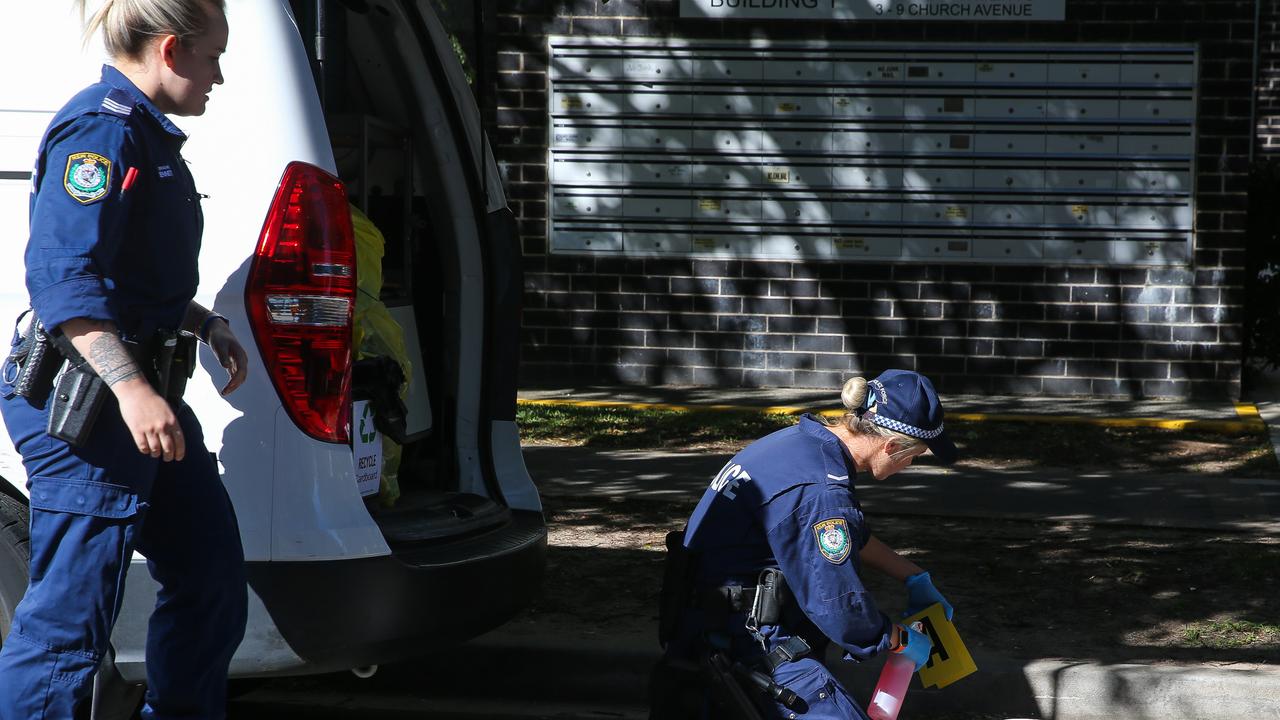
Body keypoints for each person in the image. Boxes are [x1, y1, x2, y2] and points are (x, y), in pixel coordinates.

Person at [0, 1, 248, 717]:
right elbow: (64, 279)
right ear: (170, 52)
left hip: (142, 403)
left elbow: (127, 274)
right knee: (67, 627)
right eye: (211, 58)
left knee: (209, 578)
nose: (220, 77)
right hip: (94, 412)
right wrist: (135, 391)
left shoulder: (147, 136)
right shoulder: (101, 131)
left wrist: (201, 322)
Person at [653, 370, 960, 719]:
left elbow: (845, 535)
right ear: (890, 446)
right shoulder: (821, 491)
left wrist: (913, 576)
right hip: (747, 642)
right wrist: (899, 640)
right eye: (914, 456)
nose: (909, 466)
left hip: (704, 628)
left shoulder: (800, 446)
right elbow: (838, 605)